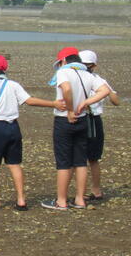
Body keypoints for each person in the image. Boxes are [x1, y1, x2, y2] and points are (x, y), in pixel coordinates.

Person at [0, 55, 62, 210]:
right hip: (13, 127)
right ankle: (21, 200)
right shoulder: (13, 85)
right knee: (15, 164)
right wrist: (53, 104)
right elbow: (29, 101)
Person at [41, 47, 111, 211]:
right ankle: (80, 199)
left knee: (64, 162)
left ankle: (61, 201)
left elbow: (66, 89)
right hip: (83, 119)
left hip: (64, 119)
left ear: (64, 61)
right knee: (80, 161)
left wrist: (70, 110)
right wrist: (86, 102)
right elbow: (105, 90)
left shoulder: (64, 72)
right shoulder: (87, 74)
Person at [79, 50, 120, 202]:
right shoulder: (80, 78)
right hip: (82, 118)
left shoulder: (97, 80)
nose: (84, 67)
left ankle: (93, 190)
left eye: (86, 65)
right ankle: (84, 192)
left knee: (91, 158)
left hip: (91, 119)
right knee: (82, 158)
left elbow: (116, 101)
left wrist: (108, 91)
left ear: (93, 66)